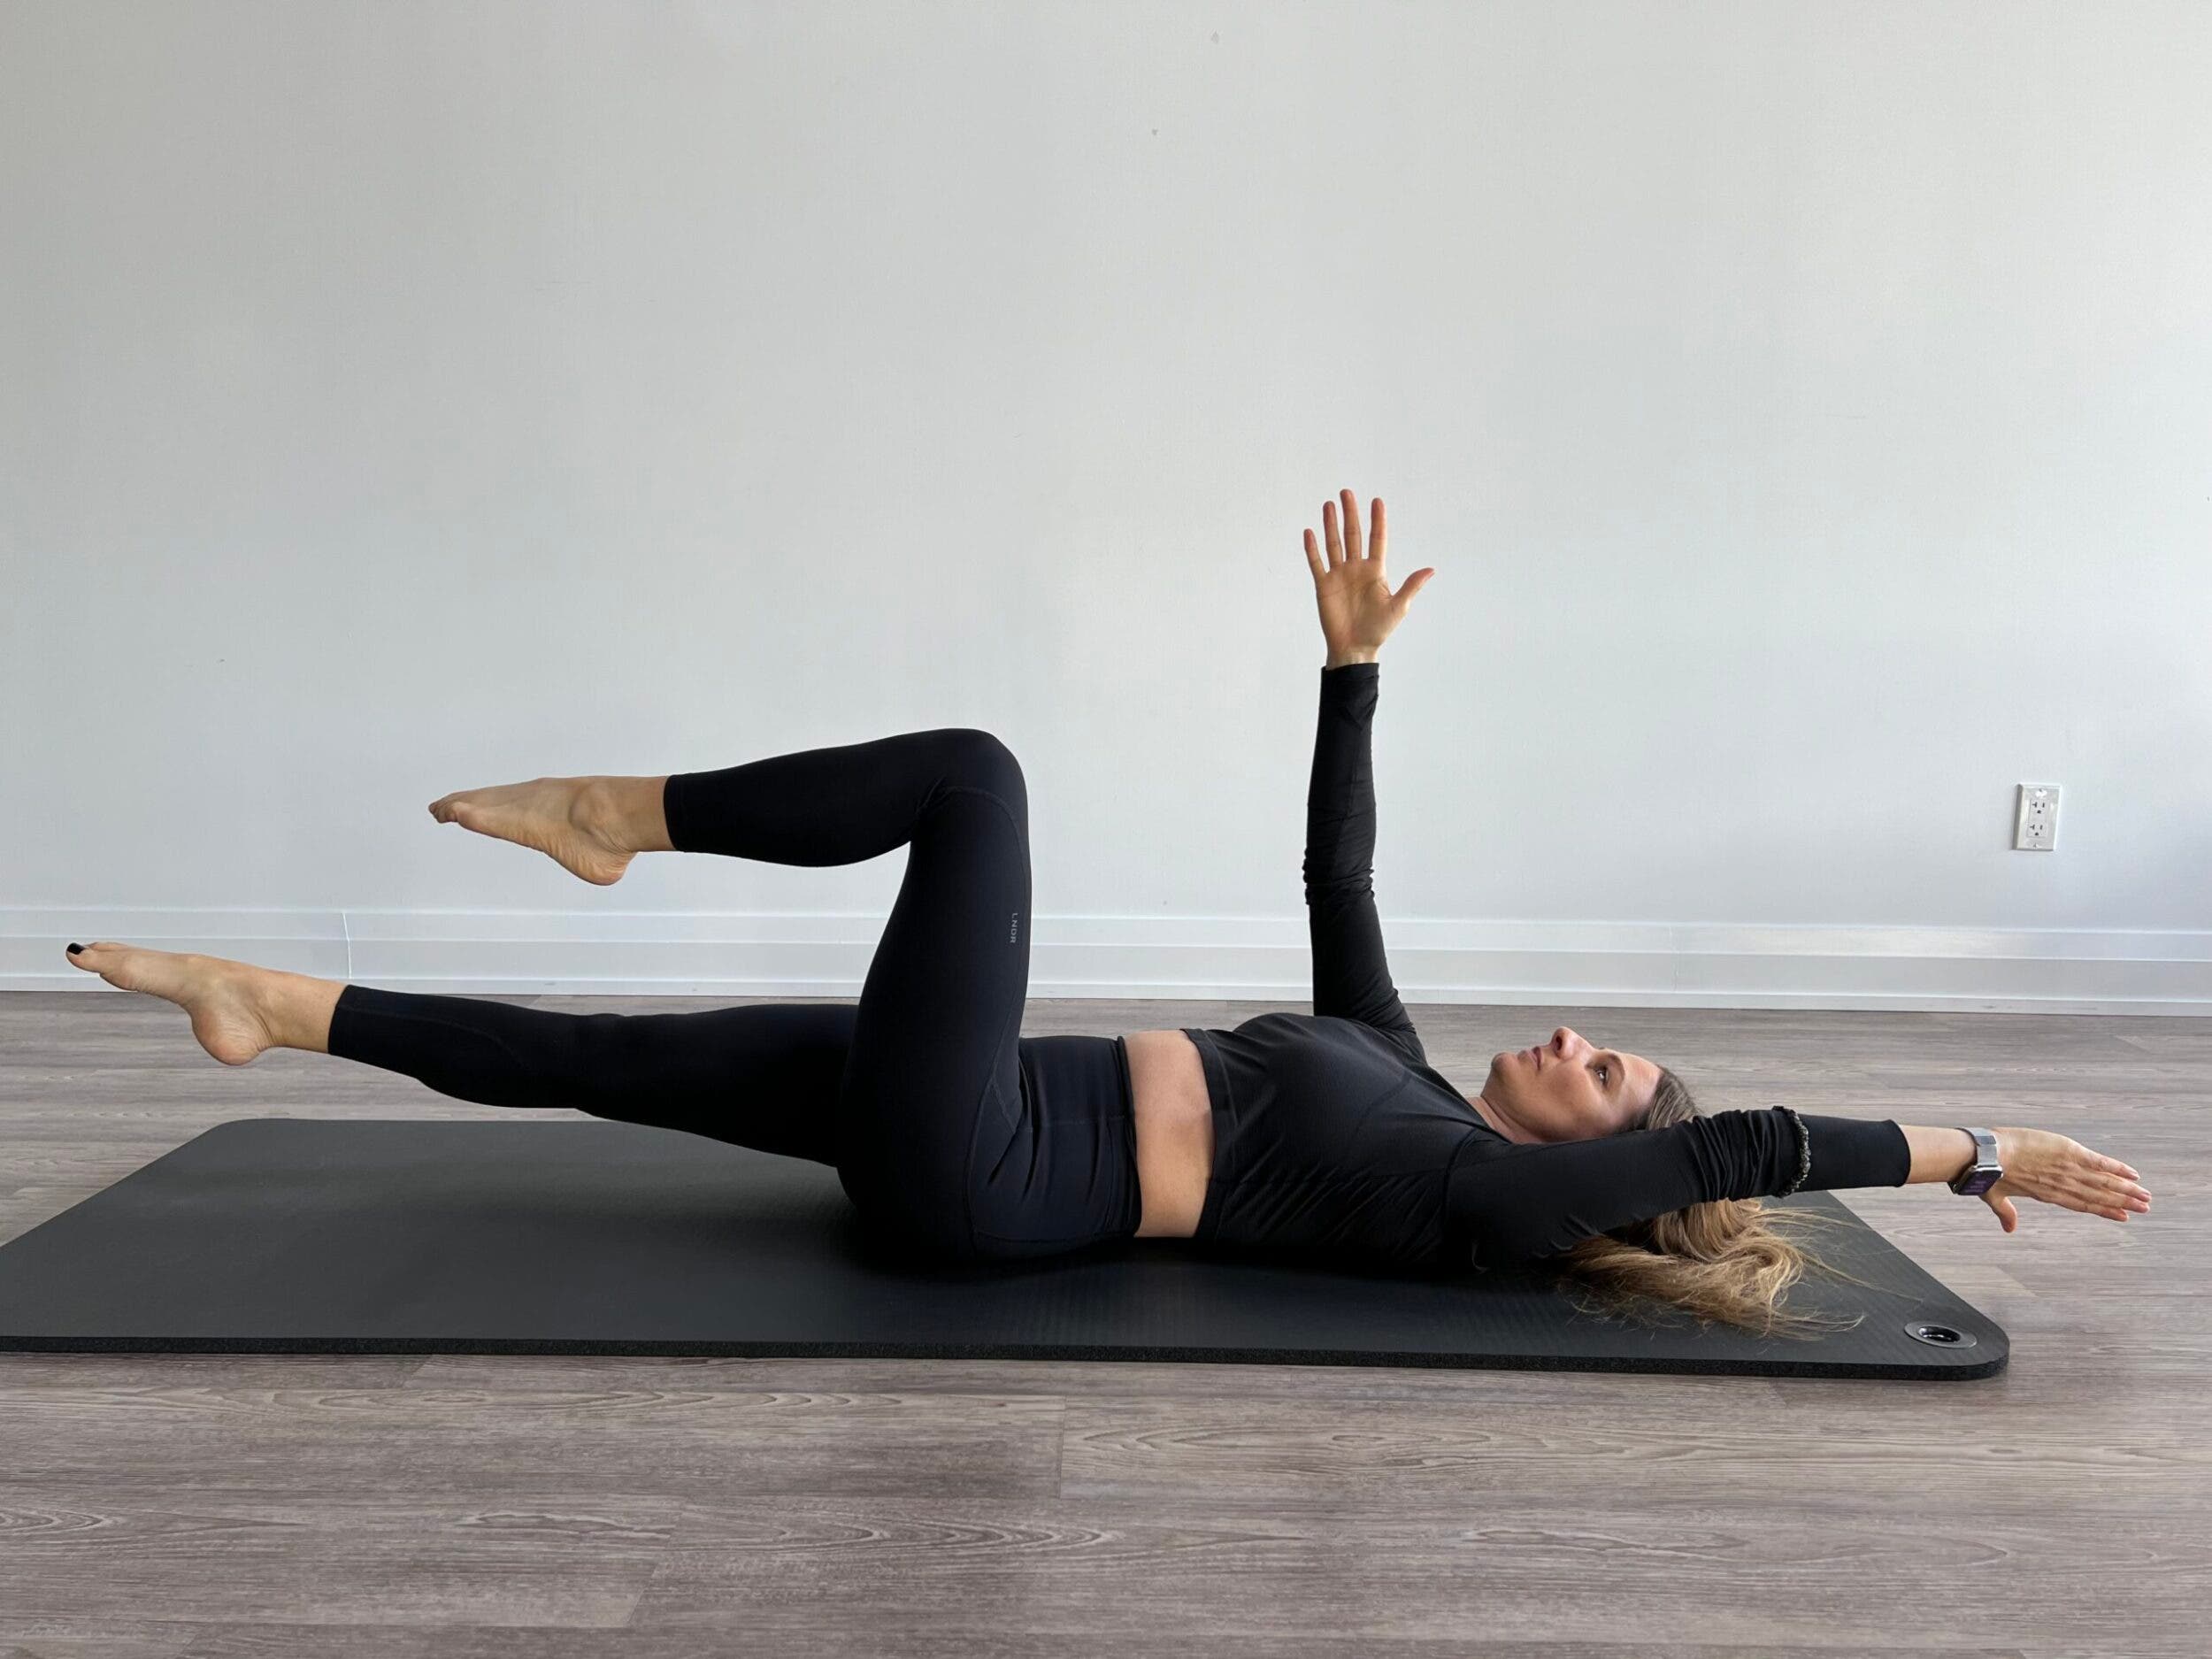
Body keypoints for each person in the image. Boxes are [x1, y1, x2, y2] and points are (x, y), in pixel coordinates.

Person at [62, 489, 2151, 1334]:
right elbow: (1339, 876)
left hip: (977, 1169)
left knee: (973, 777)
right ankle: (278, 1002)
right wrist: (1350, 673)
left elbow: (1743, 1146)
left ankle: (623, 813)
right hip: (956, 1104)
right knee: (618, 1063)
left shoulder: (1478, 1212)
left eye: (1608, 1073)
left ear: (1608, 1152)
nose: (1583, 1041)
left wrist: (1978, 1144)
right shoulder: (1396, 1074)